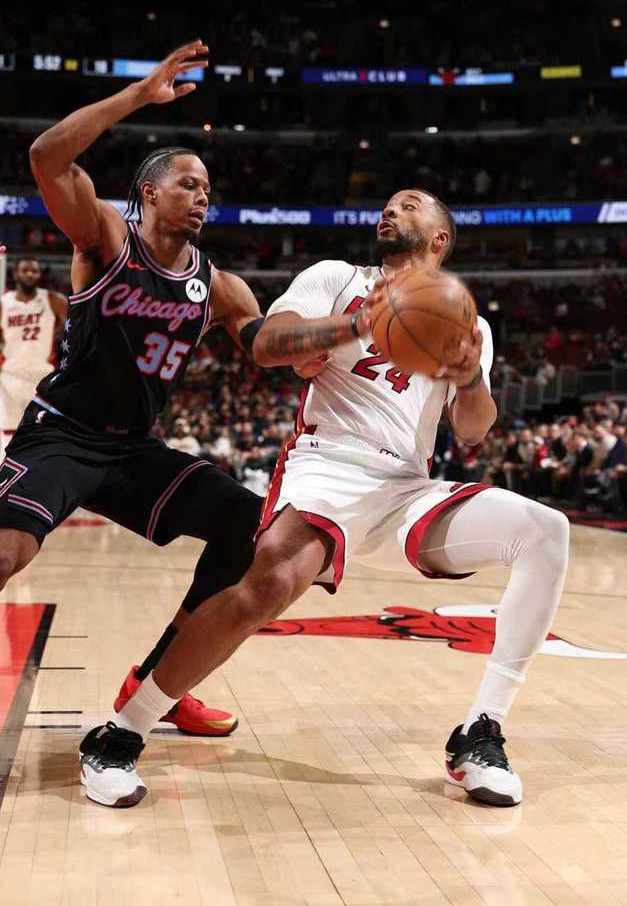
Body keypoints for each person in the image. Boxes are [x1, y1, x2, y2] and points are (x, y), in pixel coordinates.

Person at [111, 188, 569, 809]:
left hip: (407, 486)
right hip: (328, 464)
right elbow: (268, 344)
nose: (391, 210)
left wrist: (468, 377)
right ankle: (124, 729)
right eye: (389, 204)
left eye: (409, 205)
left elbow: (472, 430)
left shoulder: (468, 322)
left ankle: (481, 732)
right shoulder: (337, 278)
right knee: (267, 586)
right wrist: (347, 327)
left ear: (440, 238)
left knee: (545, 531)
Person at [0, 41, 273, 803]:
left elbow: (267, 346)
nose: (202, 195)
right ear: (148, 193)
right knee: (7, 551)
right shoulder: (105, 237)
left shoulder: (220, 285)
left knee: (249, 526)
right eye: (188, 183)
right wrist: (137, 96)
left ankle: (157, 682)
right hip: (61, 432)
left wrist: (349, 331)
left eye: (208, 187)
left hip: (133, 452)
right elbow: (46, 157)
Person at [0, 257, 67, 447]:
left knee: (43, 431)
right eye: (25, 270)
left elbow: (74, 329)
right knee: (8, 433)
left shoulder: (54, 300)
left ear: (40, 275)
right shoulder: (3, 303)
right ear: (15, 274)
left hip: (42, 376)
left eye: (34, 271)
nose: (30, 274)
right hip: (11, 376)